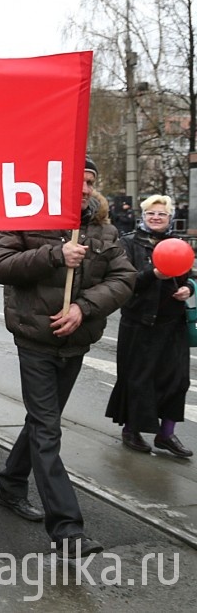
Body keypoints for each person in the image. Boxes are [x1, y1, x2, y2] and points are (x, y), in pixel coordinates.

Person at [0, 157, 135, 557]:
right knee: (47, 429)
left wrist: (83, 308)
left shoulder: (105, 229)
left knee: (40, 421)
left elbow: (124, 278)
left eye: (90, 181)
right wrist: (56, 255)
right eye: (77, 181)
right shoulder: (26, 215)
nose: (84, 189)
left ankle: (10, 485)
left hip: (77, 340)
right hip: (35, 339)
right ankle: (67, 530)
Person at [105, 195, 193, 457]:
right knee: (139, 380)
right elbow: (123, 281)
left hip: (172, 324)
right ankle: (132, 430)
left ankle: (166, 435)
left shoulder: (178, 244)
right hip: (139, 324)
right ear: (142, 216)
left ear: (170, 217)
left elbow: (190, 275)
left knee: (177, 381)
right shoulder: (129, 243)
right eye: (151, 213)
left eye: (162, 214)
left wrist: (189, 288)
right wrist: (152, 274)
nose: (156, 217)